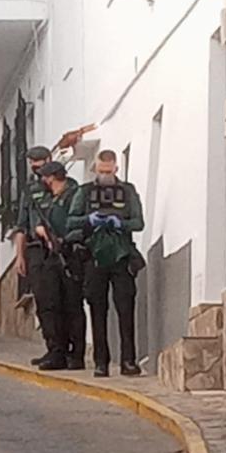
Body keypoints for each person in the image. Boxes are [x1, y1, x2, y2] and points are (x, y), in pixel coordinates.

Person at [68, 149, 146, 377]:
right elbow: (71, 221)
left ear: (116, 169)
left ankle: (128, 361)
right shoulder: (84, 192)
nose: (105, 176)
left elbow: (138, 222)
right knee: (97, 309)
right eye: (101, 171)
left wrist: (119, 223)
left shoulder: (127, 191)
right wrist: (89, 221)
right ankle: (101, 362)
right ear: (95, 169)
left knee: (126, 309)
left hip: (121, 255)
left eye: (109, 171)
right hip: (94, 255)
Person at [15, 147, 85, 369]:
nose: (35, 166)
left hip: (65, 250)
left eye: (39, 161)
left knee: (71, 303)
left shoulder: (70, 187)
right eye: (32, 162)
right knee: (46, 303)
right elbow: (21, 225)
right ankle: (54, 350)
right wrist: (20, 255)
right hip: (38, 251)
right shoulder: (31, 190)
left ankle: (75, 353)